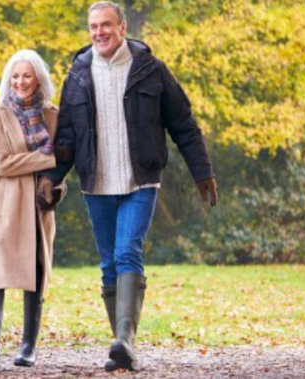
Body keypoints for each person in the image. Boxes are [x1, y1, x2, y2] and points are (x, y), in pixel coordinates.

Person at [45, 1, 218, 372]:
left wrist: (202, 171)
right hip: (96, 184)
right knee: (108, 263)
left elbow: (183, 122)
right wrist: (51, 179)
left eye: (106, 25)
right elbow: (68, 137)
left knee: (127, 252)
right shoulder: (77, 74)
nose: (99, 32)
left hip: (140, 180)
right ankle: (121, 348)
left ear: (122, 28)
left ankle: (125, 339)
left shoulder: (150, 70)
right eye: (93, 26)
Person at [0, 49, 66, 367]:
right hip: (3, 198)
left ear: (38, 78)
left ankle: (28, 346)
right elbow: (3, 164)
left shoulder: (54, 115)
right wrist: (50, 158)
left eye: (27, 75)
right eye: (15, 76)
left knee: (36, 270)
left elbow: (62, 168)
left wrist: (56, 186)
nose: (21, 82)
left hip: (37, 203)